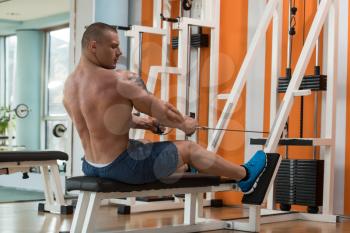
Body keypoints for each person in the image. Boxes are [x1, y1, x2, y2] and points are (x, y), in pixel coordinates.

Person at [63, 22, 267, 194]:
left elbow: (97, 122)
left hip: (90, 165)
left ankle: (189, 166)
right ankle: (246, 176)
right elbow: (162, 111)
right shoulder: (120, 79)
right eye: (114, 46)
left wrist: (142, 122)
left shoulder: (69, 86)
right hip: (124, 168)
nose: (120, 52)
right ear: (93, 46)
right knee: (189, 148)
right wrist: (185, 124)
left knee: (141, 145)